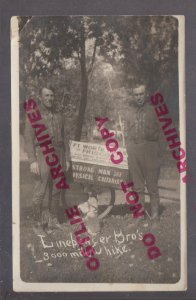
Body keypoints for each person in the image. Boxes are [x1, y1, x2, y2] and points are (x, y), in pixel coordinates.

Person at [24, 85, 70, 232]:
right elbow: (28, 139)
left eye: (51, 95)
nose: (50, 98)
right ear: (40, 97)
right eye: (46, 95)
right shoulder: (33, 115)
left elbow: (65, 137)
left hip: (59, 153)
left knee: (57, 188)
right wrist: (32, 161)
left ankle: (53, 220)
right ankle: (37, 223)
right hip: (43, 153)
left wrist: (67, 158)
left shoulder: (58, 114)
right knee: (40, 189)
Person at [124, 84, 162, 225]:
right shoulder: (129, 113)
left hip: (150, 150)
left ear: (145, 94)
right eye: (136, 95)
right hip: (134, 151)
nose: (138, 97)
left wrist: (158, 155)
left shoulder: (154, 111)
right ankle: (139, 215)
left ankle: (155, 215)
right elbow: (127, 134)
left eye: (141, 94)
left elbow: (161, 135)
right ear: (133, 96)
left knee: (152, 185)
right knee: (138, 185)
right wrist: (129, 149)